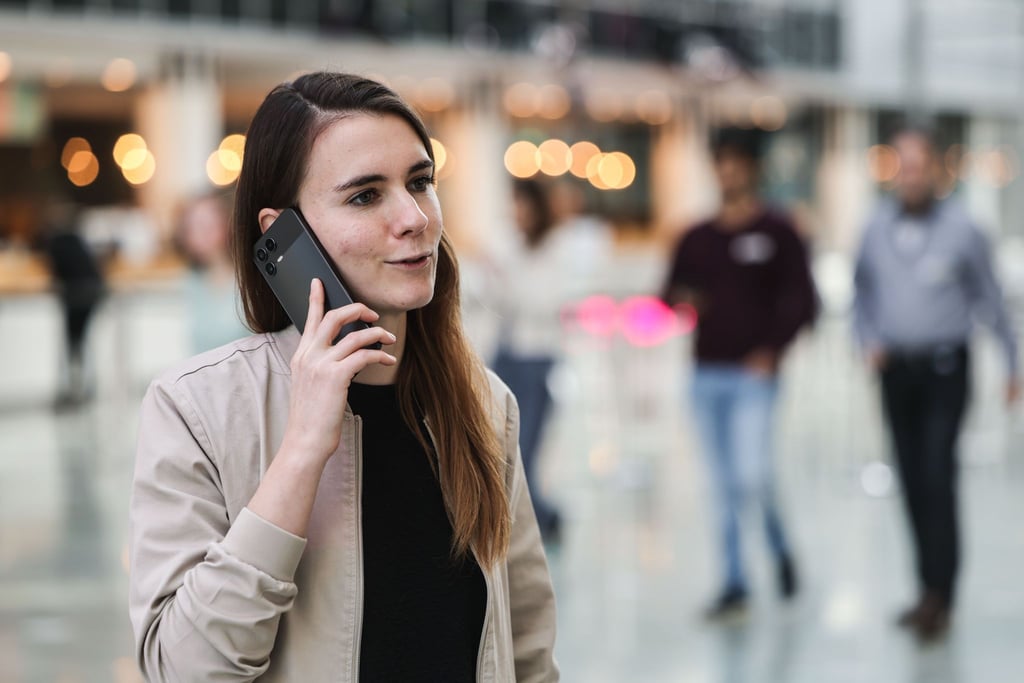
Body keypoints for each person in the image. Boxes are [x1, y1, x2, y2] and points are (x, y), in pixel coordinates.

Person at [128, 72, 559, 682]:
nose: (413, 218)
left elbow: (530, 649)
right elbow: (185, 669)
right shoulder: (196, 409)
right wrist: (302, 448)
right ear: (283, 233)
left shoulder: (485, 404)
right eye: (365, 195)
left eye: (420, 182)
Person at [853, 127, 1019, 640]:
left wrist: (1013, 361)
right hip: (896, 372)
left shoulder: (964, 229)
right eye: (902, 166)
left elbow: (991, 299)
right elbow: (862, 296)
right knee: (909, 480)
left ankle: (942, 597)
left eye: (918, 165)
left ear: (936, 170)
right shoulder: (876, 227)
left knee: (937, 475)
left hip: (947, 369)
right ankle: (925, 588)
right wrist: (868, 339)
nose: (911, 176)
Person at [661, 127, 817, 620]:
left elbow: (804, 301)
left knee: (752, 474)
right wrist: (686, 301)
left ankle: (778, 546)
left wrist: (773, 349)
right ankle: (734, 581)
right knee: (723, 483)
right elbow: (668, 293)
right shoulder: (697, 237)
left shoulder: (778, 231)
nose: (727, 172)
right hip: (706, 374)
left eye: (736, 162)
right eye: (721, 162)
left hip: (754, 377)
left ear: (752, 167)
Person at [489, 179, 565, 542]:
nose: (515, 213)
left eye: (521, 204)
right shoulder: (510, 246)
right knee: (500, 443)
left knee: (527, 446)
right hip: (506, 355)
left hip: (538, 359)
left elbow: (547, 304)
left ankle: (541, 520)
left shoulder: (556, 249)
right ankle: (533, 519)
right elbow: (493, 300)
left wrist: (507, 282)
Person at [173, 190, 250, 353]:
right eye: (196, 226)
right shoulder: (191, 283)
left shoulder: (249, 281)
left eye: (210, 223)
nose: (204, 232)